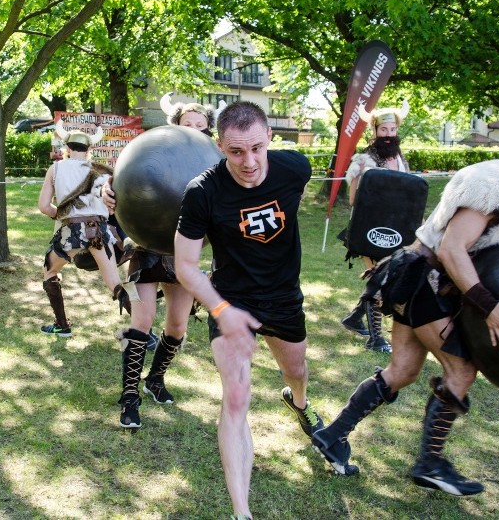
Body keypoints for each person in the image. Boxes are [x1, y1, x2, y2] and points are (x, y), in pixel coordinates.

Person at [311, 98, 499, 496]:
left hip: (419, 279)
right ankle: (430, 463)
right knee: (462, 371)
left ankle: (332, 435)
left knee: (402, 371)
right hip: (422, 281)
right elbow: (453, 248)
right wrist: (488, 306)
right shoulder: (496, 185)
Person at [174, 101, 322, 519]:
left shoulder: (296, 169)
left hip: (283, 297)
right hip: (231, 302)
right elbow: (185, 266)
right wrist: (221, 310)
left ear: (270, 139)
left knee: (296, 370)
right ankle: (242, 512)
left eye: (257, 148)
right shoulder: (203, 191)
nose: (249, 162)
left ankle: (299, 401)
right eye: (236, 151)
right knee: (236, 398)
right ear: (219, 145)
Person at [104, 93, 224, 429]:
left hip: (184, 255)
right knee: (141, 324)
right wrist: (108, 192)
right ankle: (129, 397)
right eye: (189, 125)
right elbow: (125, 181)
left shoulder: (216, 167)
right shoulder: (156, 154)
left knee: (177, 327)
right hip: (146, 248)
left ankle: (155, 379)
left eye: (202, 127)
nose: (195, 132)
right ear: (176, 128)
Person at [37, 120, 129, 338]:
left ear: (67, 149)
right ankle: (144, 331)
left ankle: (62, 326)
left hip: (71, 233)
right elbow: (114, 209)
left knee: (50, 272)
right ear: (89, 150)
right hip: (100, 231)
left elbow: (43, 207)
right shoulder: (104, 172)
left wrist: (62, 215)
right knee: (114, 283)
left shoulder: (56, 168)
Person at [339, 101, 411, 353]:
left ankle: (354, 318)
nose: (389, 135)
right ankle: (376, 338)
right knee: (379, 280)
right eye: (384, 130)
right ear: (375, 131)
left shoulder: (401, 159)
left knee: (386, 278)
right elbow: (352, 198)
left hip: (397, 229)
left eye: (392, 130)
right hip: (370, 230)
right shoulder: (364, 160)